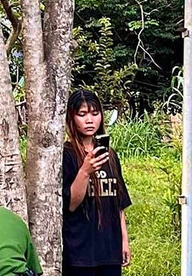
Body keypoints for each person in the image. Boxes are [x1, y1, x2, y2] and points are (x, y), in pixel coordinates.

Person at [62, 89, 132, 276]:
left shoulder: (110, 155)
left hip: (109, 250)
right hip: (79, 252)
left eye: (95, 113)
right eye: (82, 114)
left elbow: (119, 204)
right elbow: (70, 204)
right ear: (72, 118)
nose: (89, 120)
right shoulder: (66, 154)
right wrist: (85, 171)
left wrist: (124, 241)